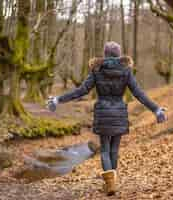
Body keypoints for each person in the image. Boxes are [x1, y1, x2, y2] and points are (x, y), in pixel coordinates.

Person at [47, 41, 166, 196]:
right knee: (114, 149)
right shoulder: (126, 70)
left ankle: (110, 184)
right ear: (118, 54)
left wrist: (58, 100)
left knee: (104, 149)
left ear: (105, 54)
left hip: (103, 113)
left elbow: (81, 91)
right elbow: (139, 93)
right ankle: (112, 183)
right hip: (119, 113)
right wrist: (156, 109)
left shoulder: (97, 69)